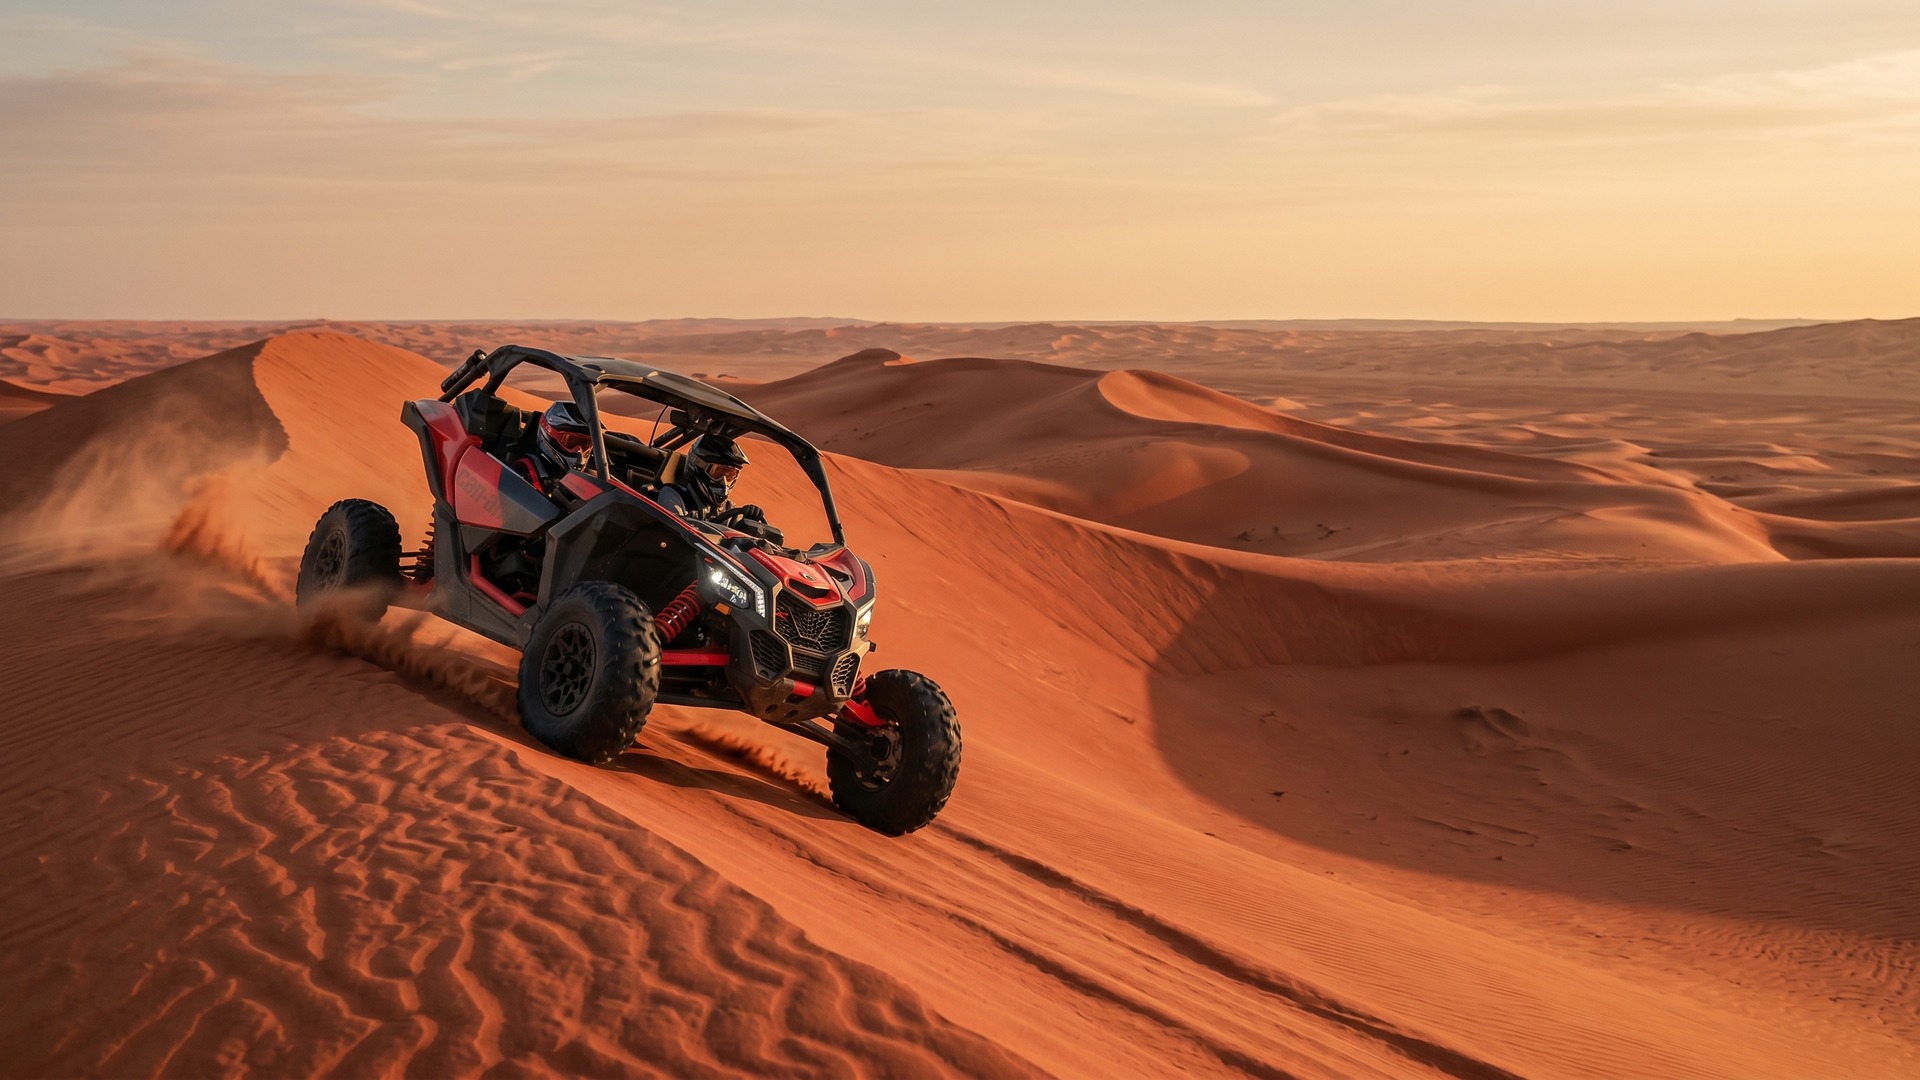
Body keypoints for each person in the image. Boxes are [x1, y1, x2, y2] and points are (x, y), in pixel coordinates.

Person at [658, 433, 777, 538]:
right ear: (698, 466)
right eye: (718, 473)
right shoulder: (673, 495)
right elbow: (675, 531)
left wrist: (751, 527)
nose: (724, 482)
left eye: (730, 475)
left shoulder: (730, 509)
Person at [512, 401, 590, 495]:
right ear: (548, 434)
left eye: (585, 444)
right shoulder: (525, 471)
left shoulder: (587, 478)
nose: (578, 451)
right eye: (570, 441)